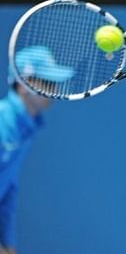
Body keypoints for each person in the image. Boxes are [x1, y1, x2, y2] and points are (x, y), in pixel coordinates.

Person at [0, 46, 73, 254]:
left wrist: (9, 244)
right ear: (24, 85)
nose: (54, 90)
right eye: (48, 82)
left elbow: (7, 189)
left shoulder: (26, 128)